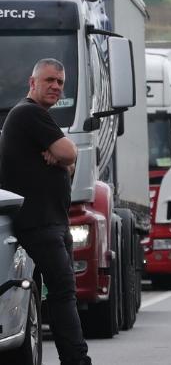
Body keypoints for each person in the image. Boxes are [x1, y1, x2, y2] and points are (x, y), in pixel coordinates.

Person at [0, 58, 91, 365]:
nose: (55, 86)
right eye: (49, 80)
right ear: (32, 82)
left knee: (62, 293)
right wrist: (67, 153)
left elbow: (69, 166)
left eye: (60, 82)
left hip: (55, 221)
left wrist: (65, 157)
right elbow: (69, 153)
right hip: (39, 223)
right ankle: (77, 360)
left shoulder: (40, 118)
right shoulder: (28, 113)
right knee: (63, 293)